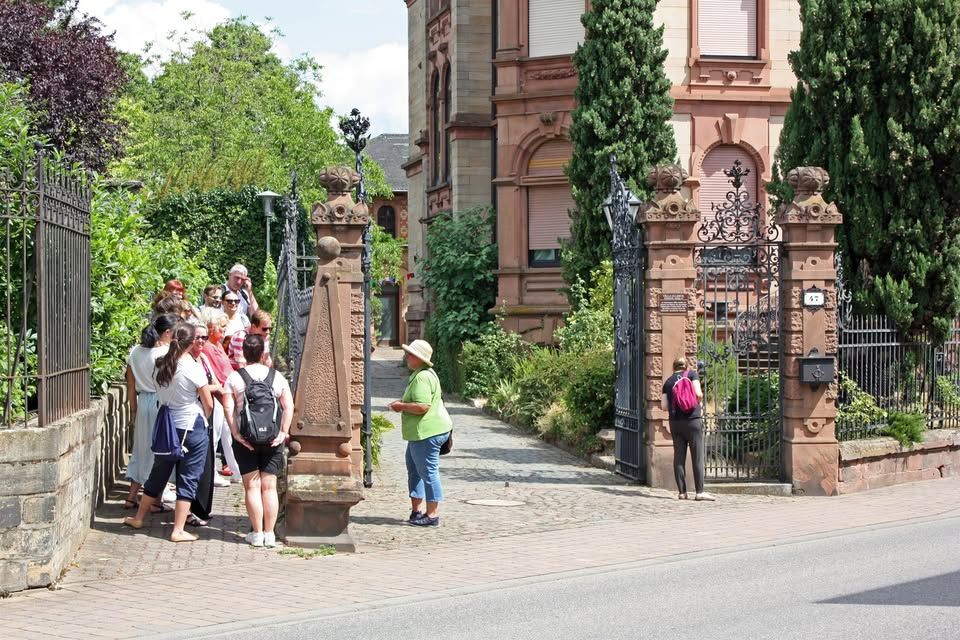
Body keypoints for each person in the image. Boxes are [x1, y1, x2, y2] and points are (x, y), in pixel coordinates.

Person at [123, 323, 216, 542]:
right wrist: (204, 416)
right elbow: (208, 403)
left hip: (166, 425)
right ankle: (178, 529)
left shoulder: (161, 365)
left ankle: (138, 518)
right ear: (191, 342)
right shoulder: (192, 368)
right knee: (189, 476)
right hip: (191, 426)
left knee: (158, 472)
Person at [222, 334, 293, 548]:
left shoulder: (235, 377)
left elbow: (228, 407)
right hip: (272, 438)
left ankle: (257, 533)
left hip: (247, 438)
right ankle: (270, 534)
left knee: (252, 486)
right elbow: (288, 406)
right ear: (263, 354)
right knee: (269, 487)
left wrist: (236, 433)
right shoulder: (276, 376)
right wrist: (282, 432)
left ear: (243, 353)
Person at [389, 339, 452, 527]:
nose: (407, 357)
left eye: (411, 355)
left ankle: (432, 515)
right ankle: (416, 511)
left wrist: (401, 406)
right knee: (414, 469)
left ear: (420, 358)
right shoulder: (422, 374)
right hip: (422, 433)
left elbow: (422, 407)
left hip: (428, 432)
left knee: (428, 472)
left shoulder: (423, 377)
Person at [122, 314, 177, 511]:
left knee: (140, 448)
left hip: (142, 401)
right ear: (168, 332)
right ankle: (155, 500)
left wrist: (133, 411)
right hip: (160, 402)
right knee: (160, 451)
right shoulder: (166, 352)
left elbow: (130, 384)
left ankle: (131, 496)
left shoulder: (135, 351)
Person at [661, 357, 715, 502]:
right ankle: (699, 492)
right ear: (685, 366)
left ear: (674, 367)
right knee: (697, 455)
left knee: (679, 456)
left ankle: (682, 492)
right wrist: (695, 404)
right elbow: (698, 394)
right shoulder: (691, 375)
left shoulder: (667, 382)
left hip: (675, 422)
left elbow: (664, 406)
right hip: (692, 421)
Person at [200, 310, 242, 483]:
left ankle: (237, 471)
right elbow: (216, 373)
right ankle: (211, 473)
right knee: (215, 437)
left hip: (225, 394)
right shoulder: (208, 348)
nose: (225, 330)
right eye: (222, 326)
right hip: (219, 396)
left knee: (227, 435)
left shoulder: (218, 345)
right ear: (211, 327)